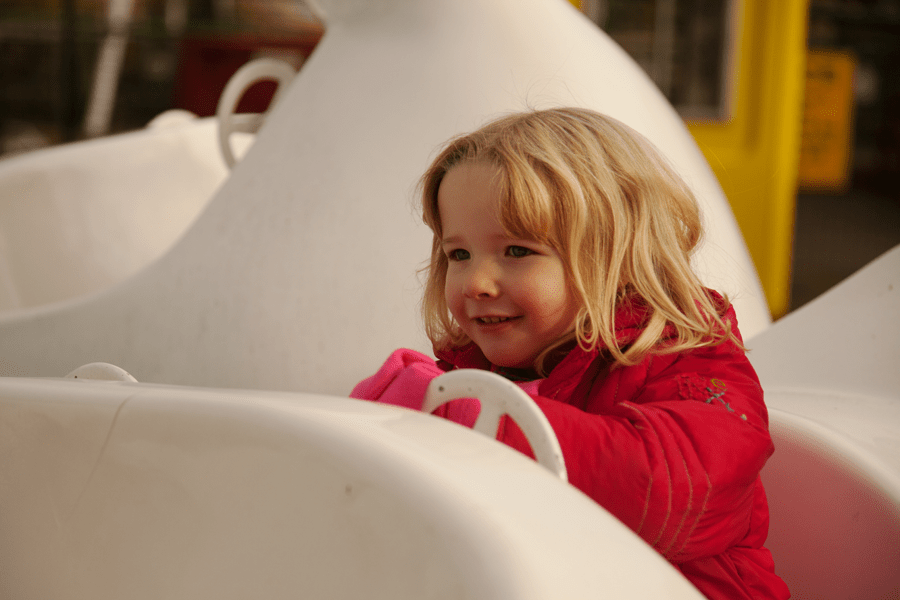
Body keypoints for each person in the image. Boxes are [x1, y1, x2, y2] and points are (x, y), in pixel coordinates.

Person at [351, 107, 789, 599]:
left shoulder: (693, 362)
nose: (476, 282)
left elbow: (670, 493)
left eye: (516, 251)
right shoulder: (477, 370)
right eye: (459, 255)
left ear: (616, 256)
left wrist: (467, 419)